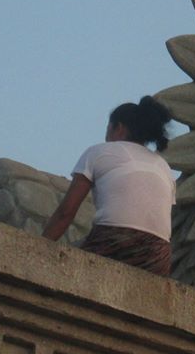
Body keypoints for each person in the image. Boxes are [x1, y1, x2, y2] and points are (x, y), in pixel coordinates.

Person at [43, 96, 176, 276]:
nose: (106, 137)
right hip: (159, 257)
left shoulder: (98, 152)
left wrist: (38, 248)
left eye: (108, 130)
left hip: (114, 241)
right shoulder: (164, 168)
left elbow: (66, 213)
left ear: (119, 128)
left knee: (63, 263)